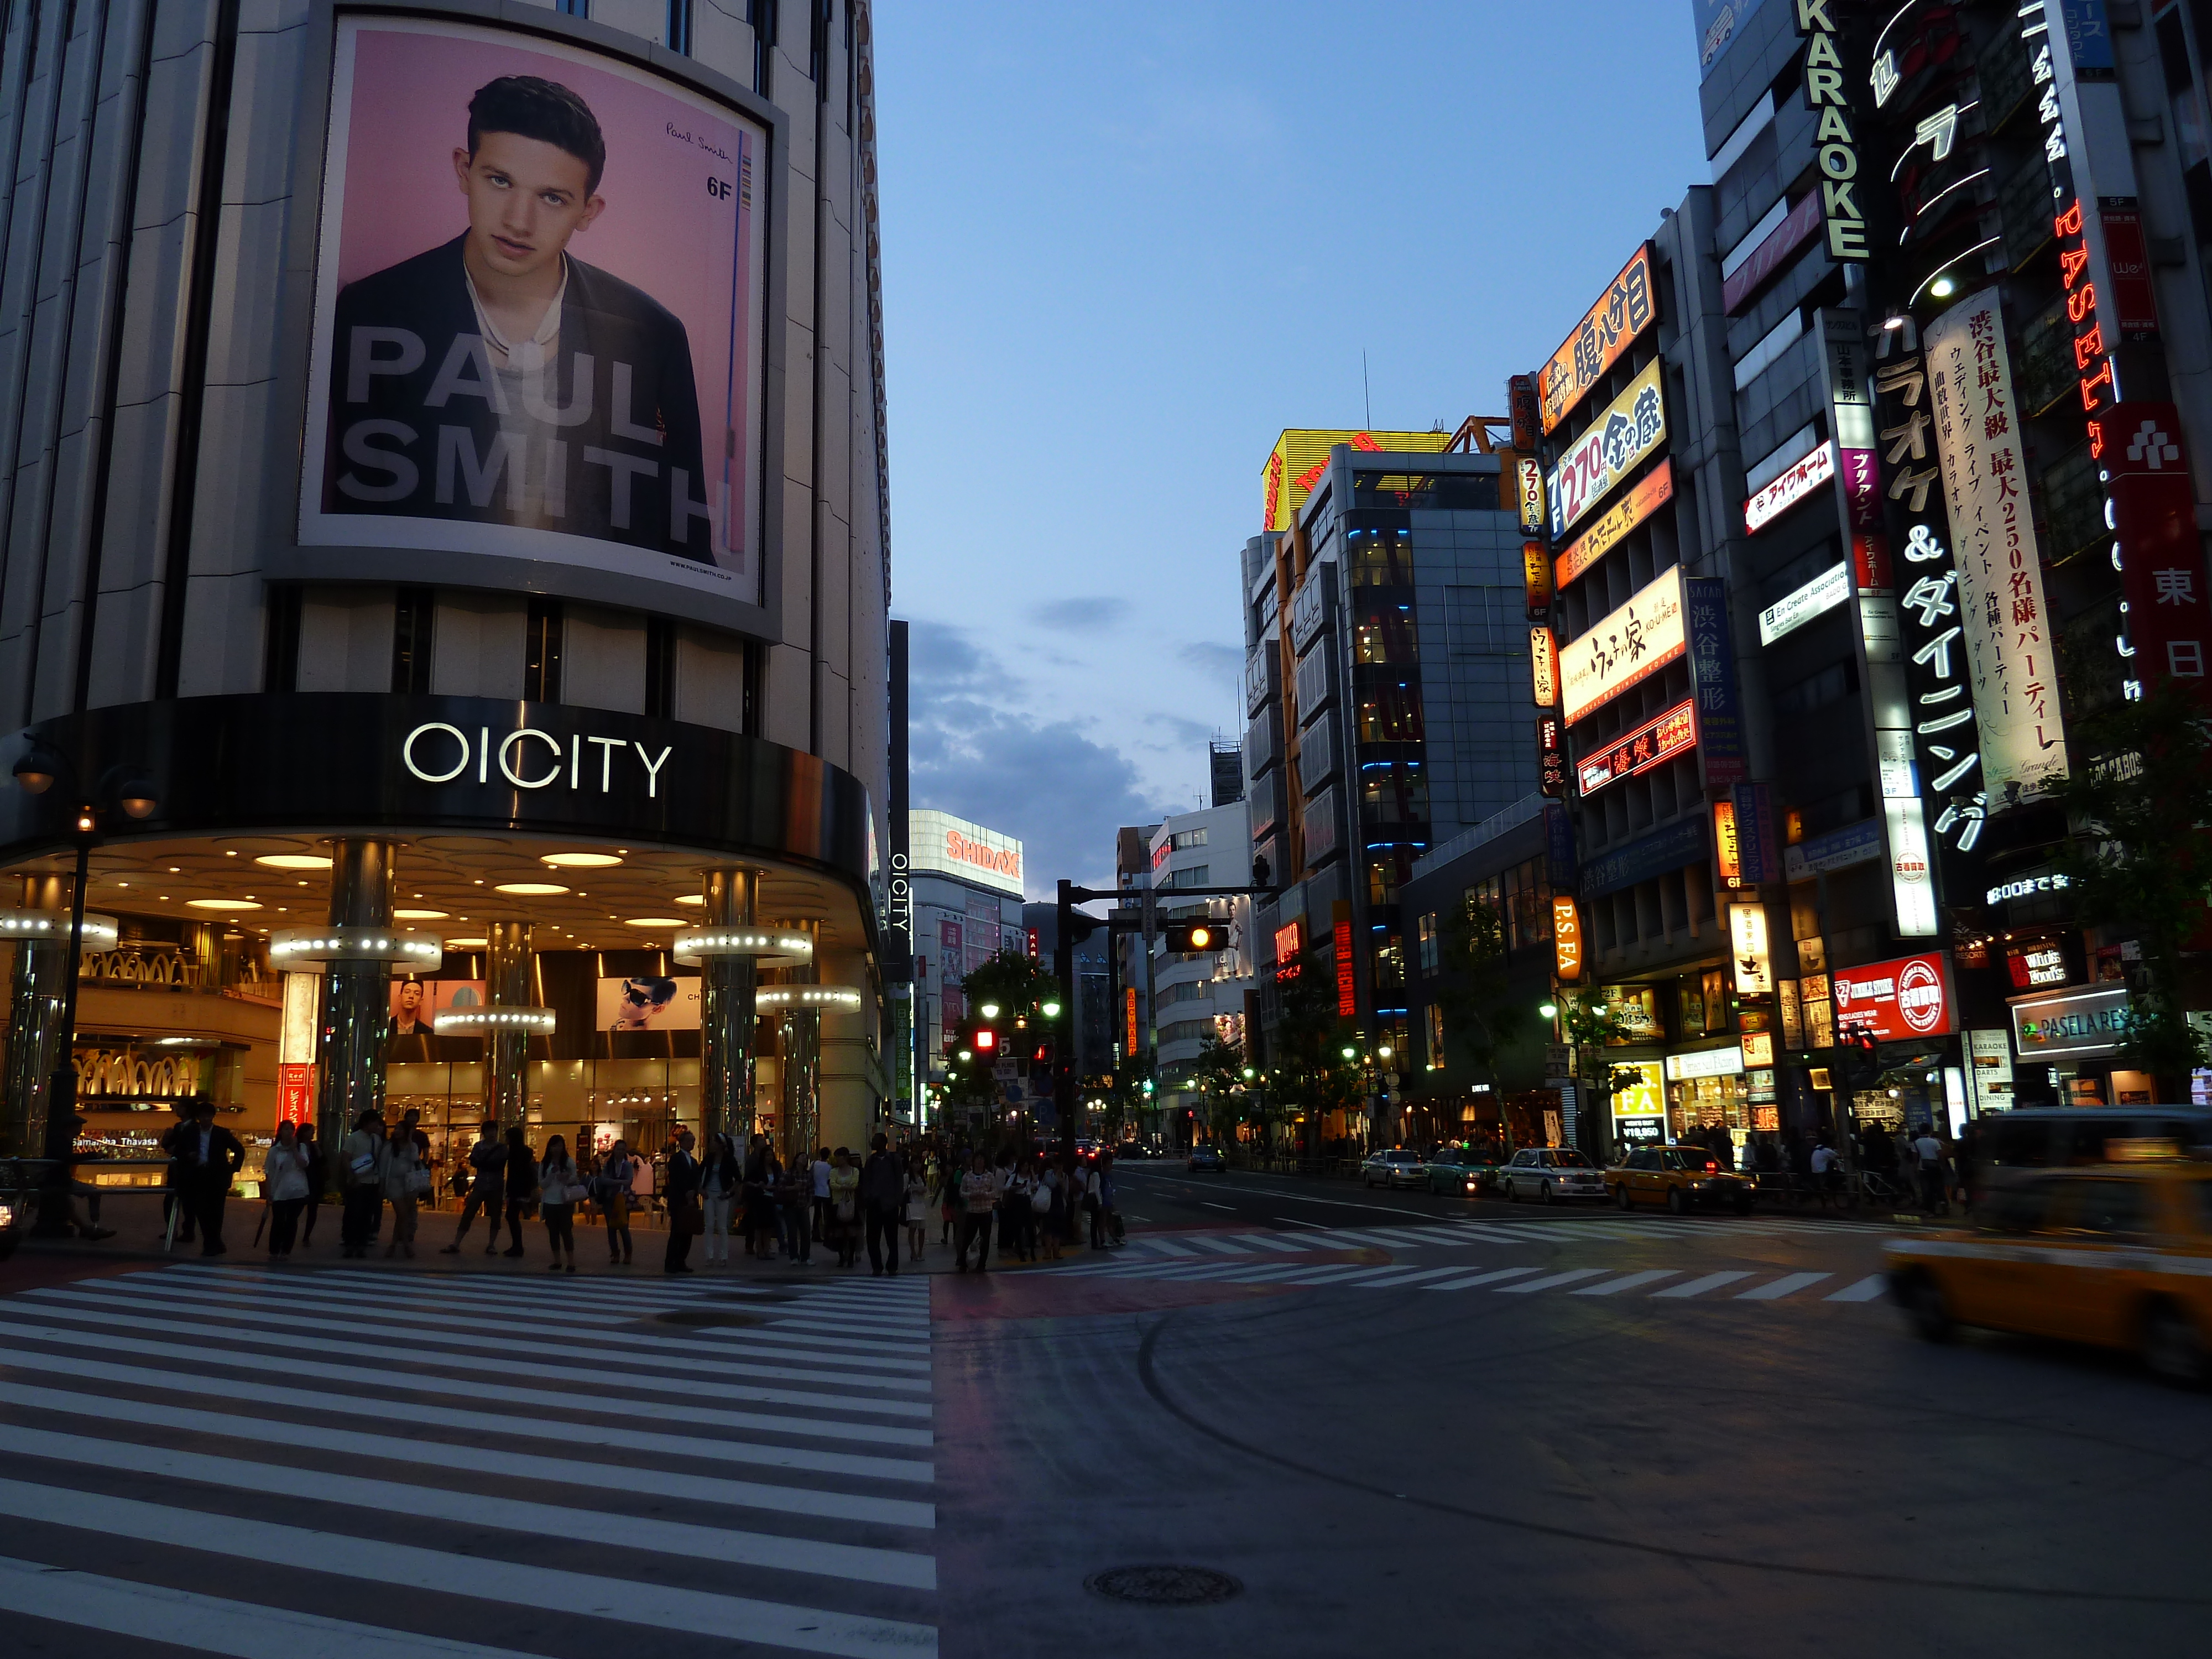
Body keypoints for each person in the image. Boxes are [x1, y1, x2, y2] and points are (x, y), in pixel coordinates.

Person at [322, 75, 708, 560]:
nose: (518, 221)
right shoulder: (373, 307)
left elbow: (687, 541)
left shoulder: (653, 334)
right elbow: (358, 511)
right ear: (464, 170)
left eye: (552, 198)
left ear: (588, 212)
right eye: (500, 181)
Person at [172, 1096, 246, 1256]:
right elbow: (178, 1150)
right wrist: (188, 1155)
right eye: (203, 1116)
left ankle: (213, 1243)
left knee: (217, 1212)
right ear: (198, 1117)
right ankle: (212, 1242)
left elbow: (239, 1149)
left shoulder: (221, 1133)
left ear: (213, 1117)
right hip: (198, 1175)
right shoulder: (190, 1132)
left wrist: (233, 1169)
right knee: (201, 1211)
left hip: (217, 1176)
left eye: (208, 1116)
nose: (206, 1119)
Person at [441, 1119, 508, 1254]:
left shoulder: (500, 1148)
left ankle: (491, 1244)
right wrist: (487, 1163)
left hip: (494, 1184)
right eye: (489, 1131)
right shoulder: (480, 1146)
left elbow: (495, 1164)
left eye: (494, 1130)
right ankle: (457, 1243)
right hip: (483, 1184)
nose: (492, 1133)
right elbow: (476, 1162)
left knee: (495, 1215)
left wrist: (483, 1163)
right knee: (469, 1212)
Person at [338, 1108, 387, 1260]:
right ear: (367, 1122)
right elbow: (345, 1158)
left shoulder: (376, 1139)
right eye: (375, 1122)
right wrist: (351, 1176)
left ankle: (361, 1244)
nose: (377, 1126)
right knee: (354, 1214)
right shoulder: (354, 1138)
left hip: (372, 1182)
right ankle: (350, 1243)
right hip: (358, 1182)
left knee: (367, 1215)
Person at [263, 1120, 311, 1260]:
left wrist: (294, 1149)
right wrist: (268, 1193)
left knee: (291, 1220)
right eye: (286, 1129)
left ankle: (286, 1250)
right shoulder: (274, 1150)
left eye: (292, 1129)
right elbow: (269, 1172)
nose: (289, 1132)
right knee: (278, 1220)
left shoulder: (301, 1147)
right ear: (280, 1131)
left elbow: (304, 1164)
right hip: (279, 1191)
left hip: (297, 1191)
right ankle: (274, 1249)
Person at [860, 1134, 904, 1276]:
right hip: (874, 1204)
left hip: (890, 1204)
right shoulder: (871, 1161)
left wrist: (897, 1199)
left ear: (883, 1143)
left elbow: (899, 1180)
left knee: (892, 1238)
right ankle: (877, 1266)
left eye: (875, 1141)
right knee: (873, 1239)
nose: (872, 1143)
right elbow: (866, 1180)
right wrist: (867, 1197)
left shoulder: (893, 1160)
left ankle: (892, 1266)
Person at [537, 1134, 582, 1272]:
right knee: (553, 1233)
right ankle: (557, 1261)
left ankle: (571, 1261)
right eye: (554, 1146)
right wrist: (552, 1174)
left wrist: (566, 1178)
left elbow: (575, 1178)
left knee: (566, 1231)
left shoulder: (568, 1162)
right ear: (550, 1147)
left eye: (560, 1146)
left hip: (565, 1202)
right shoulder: (545, 1164)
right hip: (550, 1202)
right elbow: (542, 1184)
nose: (557, 1149)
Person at [380, 1119, 424, 1259]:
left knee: (402, 1216)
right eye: (396, 1129)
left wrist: (410, 1141)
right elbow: (383, 1166)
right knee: (402, 1213)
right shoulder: (390, 1147)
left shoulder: (413, 1147)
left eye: (401, 1129)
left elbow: (415, 1158)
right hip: (394, 1183)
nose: (397, 1132)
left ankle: (394, 1244)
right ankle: (405, 1245)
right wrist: (382, 1185)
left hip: (409, 1183)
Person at [662, 1129, 702, 1274]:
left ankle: (681, 1261)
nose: (693, 1143)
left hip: (690, 1200)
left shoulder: (693, 1161)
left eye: (693, 1141)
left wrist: (695, 1191)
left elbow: (696, 1179)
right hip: (679, 1200)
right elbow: (676, 1179)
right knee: (677, 1232)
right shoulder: (676, 1159)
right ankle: (671, 1261)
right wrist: (687, 1193)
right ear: (683, 1142)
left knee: (688, 1233)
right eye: (691, 1141)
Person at [700, 1131, 739, 1266]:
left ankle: (723, 1256)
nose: (711, 1144)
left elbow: (739, 1179)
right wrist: (701, 1189)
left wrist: (728, 1192)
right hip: (709, 1194)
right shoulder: (709, 1158)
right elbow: (699, 1174)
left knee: (722, 1227)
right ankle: (709, 1256)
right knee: (709, 1225)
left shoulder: (729, 1160)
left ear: (720, 1145)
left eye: (714, 1142)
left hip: (722, 1195)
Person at [956, 1151, 998, 1272]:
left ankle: (982, 1264)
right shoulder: (967, 1176)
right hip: (972, 1211)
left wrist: (985, 1195)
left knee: (985, 1238)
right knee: (968, 1238)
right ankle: (963, 1263)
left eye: (982, 1159)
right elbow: (962, 1192)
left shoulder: (990, 1176)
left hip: (986, 1211)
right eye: (977, 1159)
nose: (980, 1161)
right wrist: (971, 1195)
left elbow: (995, 1192)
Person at [500, 1127, 539, 1258]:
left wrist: (509, 1190)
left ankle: (518, 1246)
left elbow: (514, 1174)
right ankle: (517, 1246)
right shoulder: (525, 1152)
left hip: (516, 1189)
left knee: (512, 1216)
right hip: (522, 1188)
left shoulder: (514, 1153)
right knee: (513, 1216)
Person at [597, 1138, 636, 1265]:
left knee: (624, 1227)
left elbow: (629, 1181)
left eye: (623, 1150)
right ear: (614, 1150)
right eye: (618, 1149)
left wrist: (614, 1181)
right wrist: (619, 1181)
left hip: (623, 1199)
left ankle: (628, 1253)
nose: (620, 1152)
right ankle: (615, 1253)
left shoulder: (628, 1165)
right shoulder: (609, 1164)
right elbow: (604, 1180)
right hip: (610, 1198)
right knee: (611, 1227)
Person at [776, 1151, 813, 1266]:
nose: (804, 1159)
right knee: (792, 1232)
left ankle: (805, 1257)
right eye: (802, 1157)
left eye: (806, 1158)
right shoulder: (789, 1173)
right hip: (791, 1206)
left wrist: (809, 1203)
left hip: (803, 1206)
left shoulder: (808, 1175)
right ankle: (794, 1256)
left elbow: (811, 1191)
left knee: (806, 1232)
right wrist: (793, 1188)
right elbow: (780, 1187)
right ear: (796, 1159)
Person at [827, 1147, 861, 1269]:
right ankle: (842, 1257)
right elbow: (832, 1184)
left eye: (839, 1157)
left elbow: (854, 1184)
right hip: (837, 1203)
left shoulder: (854, 1171)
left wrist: (841, 1186)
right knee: (839, 1232)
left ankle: (851, 1257)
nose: (837, 1160)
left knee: (851, 1231)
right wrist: (845, 1187)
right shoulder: (834, 1171)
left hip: (850, 1203)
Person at [612, 977, 681, 1030]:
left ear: (657, 1009)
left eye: (637, 997)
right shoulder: (621, 1023)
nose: (625, 997)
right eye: (627, 987)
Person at [1913, 1121, 1949, 1214]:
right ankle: (1943, 1204)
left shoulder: (1916, 1143)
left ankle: (1930, 1210)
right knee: (1939, 1187)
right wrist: (1943, 1166)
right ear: (1930, 1131)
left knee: (1926, 1190)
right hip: (1936, 1168)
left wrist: (1915, 1169)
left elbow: (1915, 1158)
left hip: (1923, 1169)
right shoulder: (1935, 1142)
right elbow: (1940, 1155)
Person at [904, 1159, 931, 1262]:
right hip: (912, 1205)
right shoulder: (907, 1177)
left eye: (919, 1162)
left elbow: (925, 1188)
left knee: (922, 1230)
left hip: (921, 1205)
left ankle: (920, 1251)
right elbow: (904, 1190)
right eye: (916, 1162)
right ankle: (913, 1252)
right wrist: (915, 1190)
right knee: (912, 1229)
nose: (918, 1165)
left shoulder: (921, 1176)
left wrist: (923, 1190)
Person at [811, 1145, 834, 1243]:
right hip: (826, 1192)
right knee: (827, 1215)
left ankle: (815, 1234)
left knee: (817, 1214)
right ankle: (827, 1234)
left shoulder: (814, 1164)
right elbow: (830, 1180)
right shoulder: (829, 1167)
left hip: (816, 1192)